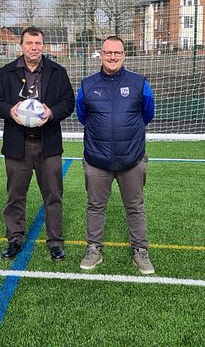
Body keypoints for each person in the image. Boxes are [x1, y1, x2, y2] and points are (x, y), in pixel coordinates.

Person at [0, 26, 75, 261]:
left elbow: (69, 102)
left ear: (43, 46)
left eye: (38, 44)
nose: (34, 48)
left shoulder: (57, 71)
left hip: (48, 145)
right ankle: (15, 239)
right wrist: (10, 110)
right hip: (18, 145)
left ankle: (55, 242)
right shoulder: (6, 72)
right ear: (21, 46)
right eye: (29, 43)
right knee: (15, 196)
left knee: (53, 195)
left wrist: (51, 112)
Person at [75, 35, 156, 274]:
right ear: (100, 54)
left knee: (135, 206)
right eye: (108, 52)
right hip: (97, 159)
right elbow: (83, 116)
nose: (112, 57)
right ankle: (93, 249)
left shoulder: (139, 83)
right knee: (95, 206)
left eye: (117, 53)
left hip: (131, 159)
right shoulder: (87, 85)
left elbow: (147, 115)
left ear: (123, 55)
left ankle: (140, 251)